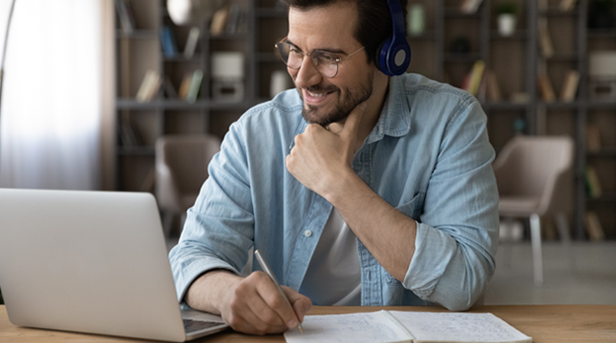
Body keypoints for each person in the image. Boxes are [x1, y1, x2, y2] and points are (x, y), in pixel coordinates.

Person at [169, 0, 499, 336]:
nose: (304, 77)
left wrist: (338, 183)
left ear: (388, 54)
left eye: (329, 58)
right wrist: (226, 294)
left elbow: (464, 282)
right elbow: (191, 257)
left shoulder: (452, 121)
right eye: (294, 50)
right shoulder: (256, 133)